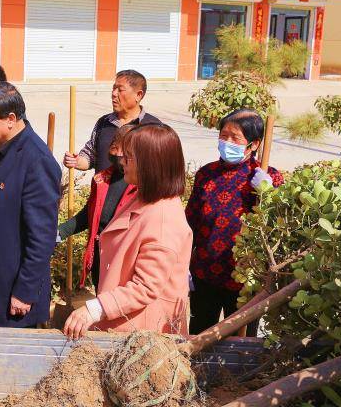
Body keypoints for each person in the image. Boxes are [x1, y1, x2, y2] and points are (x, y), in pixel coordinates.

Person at [64, 124, 192, 339]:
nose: (121, 161)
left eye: (129, 158)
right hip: (125, 324)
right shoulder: (143, 197)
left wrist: (94, 309)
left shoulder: (163, 219)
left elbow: (145, 287)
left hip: (143, 335)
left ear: (150, 165)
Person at [0, 82, 61, 328]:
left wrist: (25, 290)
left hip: (12, 292)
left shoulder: (36, 160)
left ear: (10, 118)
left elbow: (42, 236)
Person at [185, 109, 284, 336]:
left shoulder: (267, 176)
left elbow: (278, 223)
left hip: (244, 281)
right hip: (204, 274)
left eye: (235, 138)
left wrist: (269, 192)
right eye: (223, 135)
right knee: (200, 333)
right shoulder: (205, 174)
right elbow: (189, 222)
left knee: (241, 343)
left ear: (254, 144)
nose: (227, 142)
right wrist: (182, 266)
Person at [58, 124, 136, 291]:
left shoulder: (141, 188)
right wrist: (58, 233)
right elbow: (90, 214)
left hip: (124, 267)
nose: (113, 152)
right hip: (100, 262)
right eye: (113, 146)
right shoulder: (102, 179)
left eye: (119, 148)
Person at [64, 70, 161, 173]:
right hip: (103, 189)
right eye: (114, 88)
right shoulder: (104, 122)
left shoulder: (154, 127)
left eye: (120, 90)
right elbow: (90, 155)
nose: (114, 94)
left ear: (138, 95)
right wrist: (76, 161)